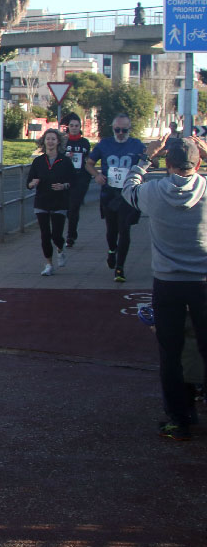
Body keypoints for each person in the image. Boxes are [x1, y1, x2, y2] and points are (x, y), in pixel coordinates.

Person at [121, 134, 207, 440]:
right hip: (203, 282)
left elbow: (128, 189)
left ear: (167, 163)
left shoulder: (153, 192)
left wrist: (145, 158)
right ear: (198, 162)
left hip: (168, 282)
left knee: (170, 353)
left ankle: (179, 418)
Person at [86, 114, 145, 282]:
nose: (120, 133)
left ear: (129, 129)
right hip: (109, 194)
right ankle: (112, 250)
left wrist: (148, 165)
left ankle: (120, 268)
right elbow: (89, 163)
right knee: (112, 230)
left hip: (128, 194)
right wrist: (97, 175)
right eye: (117, 130)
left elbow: (150, 161)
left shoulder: (136, 145)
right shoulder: (104, 144)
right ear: (112, 129)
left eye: (124, 130)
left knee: (124, 229)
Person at [28, 128, 75, 276]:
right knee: (45, 234)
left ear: (58, 142)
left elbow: (73, 181)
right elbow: (28, 183)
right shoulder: (38, 161)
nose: (50, 142)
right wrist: (33, 183)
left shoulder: (65, 161)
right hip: (41, 201)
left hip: (59, 202)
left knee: (56, 235)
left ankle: (60, 249)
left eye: (53, 139)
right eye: (48, 139)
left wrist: (64, 186)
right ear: (44, 141)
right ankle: (48, 264)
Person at [63, 112, 92, 247]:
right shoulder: (63, 142)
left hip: (80, 178)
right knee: (65, 207)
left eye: (76, 125)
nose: (74, 128)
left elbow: (88, 160)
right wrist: (66, 157)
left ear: (80, 127)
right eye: (72, 125)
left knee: (74, 207)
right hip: (65, 177)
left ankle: (71, 236)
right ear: (68, 127)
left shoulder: (84, 143)